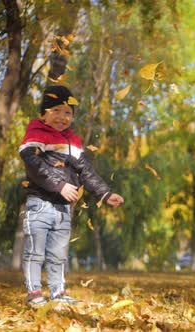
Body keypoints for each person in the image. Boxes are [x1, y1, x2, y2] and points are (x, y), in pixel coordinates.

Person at [19, 85, 124, 307]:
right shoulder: (36, 134)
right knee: (35, 252)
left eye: (68, 112)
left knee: (58, 255)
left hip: (63, 209)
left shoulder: (73, 142)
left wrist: (105, 194)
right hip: (40, 204)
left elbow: (86, 171)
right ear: (43, 114)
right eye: (56, 110)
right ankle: (34, 294)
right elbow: (34, 165)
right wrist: (59, 185)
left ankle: (58, 293)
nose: (62, 117)